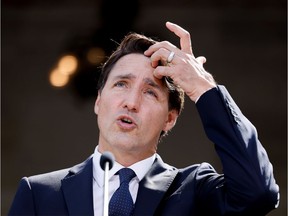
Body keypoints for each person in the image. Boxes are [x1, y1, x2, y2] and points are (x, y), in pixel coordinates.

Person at [9, 22, 279, 216]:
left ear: (170, 119)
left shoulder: (195, 191)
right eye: (121, 85)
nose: (131, 102)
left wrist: (202, 87)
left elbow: (258, 194)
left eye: (150, 92)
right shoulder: (38, 194)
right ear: (99, 101)